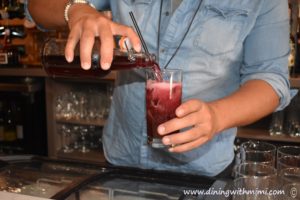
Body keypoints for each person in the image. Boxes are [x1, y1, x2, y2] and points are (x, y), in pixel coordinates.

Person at [26, 0, 292, 177]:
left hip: (202, 170)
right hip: (122, 161)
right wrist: (77, 10)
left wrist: (217, 116)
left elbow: (271, 78)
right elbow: (36, 7)